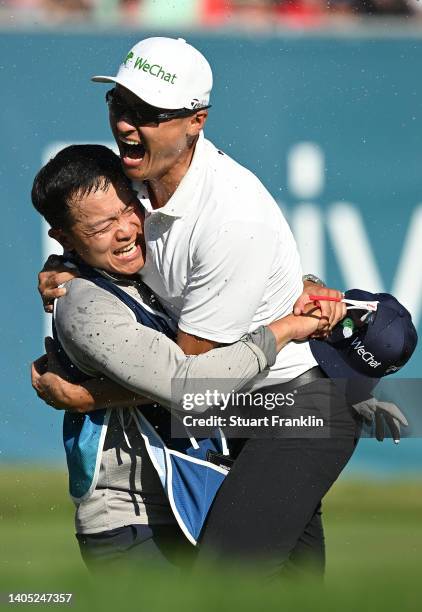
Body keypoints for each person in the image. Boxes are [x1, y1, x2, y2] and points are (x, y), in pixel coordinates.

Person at [33, 37, 396, 577]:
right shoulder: (133, 181)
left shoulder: (229, 216)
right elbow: (98, 233)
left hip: (295, 407)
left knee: (223, 580)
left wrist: (87, 396)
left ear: (195, 120)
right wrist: (70, 260)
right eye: (119, 105)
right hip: (241, 409)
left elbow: (190, 388)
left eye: (150, 113)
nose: (128, 125)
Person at [31, 143, 324, 571]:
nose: (126, 230)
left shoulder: (150, 262)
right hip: (133, 528)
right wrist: (283, 331)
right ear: (64, 237)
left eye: (128, 208)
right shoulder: (84, 303)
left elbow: (235, 285)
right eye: (100, 226)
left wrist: (303, 285)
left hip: (195, 502)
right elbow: (190, 389)